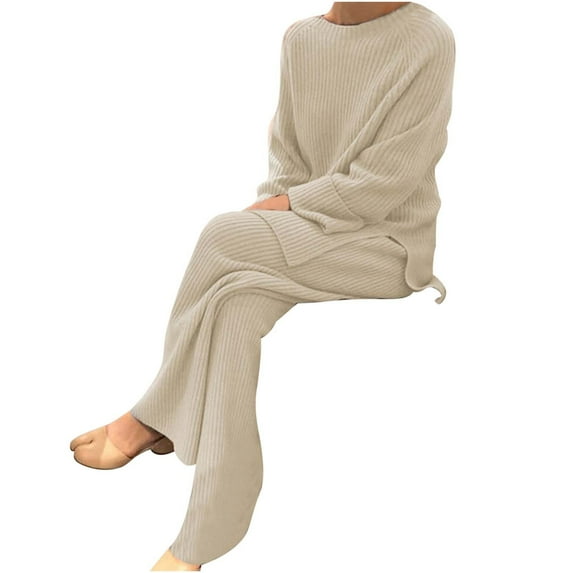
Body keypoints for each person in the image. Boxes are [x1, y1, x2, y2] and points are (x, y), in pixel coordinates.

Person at [68, 2, 455, 570]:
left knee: (222, 234)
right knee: (233, 306)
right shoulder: (302, 40)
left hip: (385, 244)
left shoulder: (428, 37)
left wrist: (281, 210)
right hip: (310, 233)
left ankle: (151, 417)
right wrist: (281, 211)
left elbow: (387, 181)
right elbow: (288, 162)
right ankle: (206, 531)